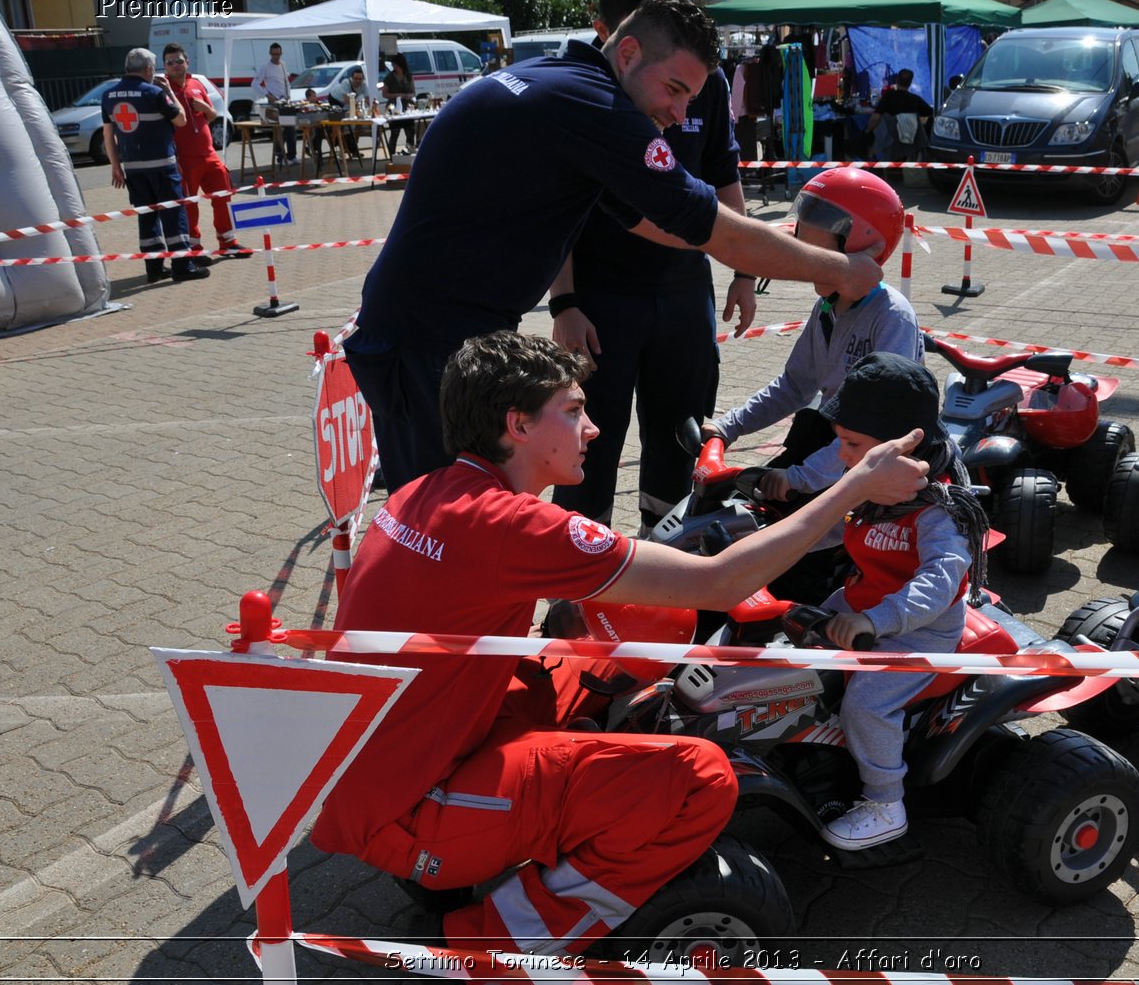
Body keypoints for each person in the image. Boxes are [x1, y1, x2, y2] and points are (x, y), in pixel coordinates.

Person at [310, 330, 930, 955]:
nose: (596, 429)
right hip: (414, 809)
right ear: (516, 425)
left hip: (375, 768)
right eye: (574, 412)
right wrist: (853, 486)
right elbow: (723, 582)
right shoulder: (513, 527)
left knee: (584, 672)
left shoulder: (430, 489)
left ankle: (550, 825)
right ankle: (482, 947)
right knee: (702, 780)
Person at [343, 0, 892, 494]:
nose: (678, 116)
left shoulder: (560, 82)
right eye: (674, 90)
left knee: (457, 516)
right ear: (628, 53)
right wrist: (842, 269)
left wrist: (754, 245)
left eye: (691, 99)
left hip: (428, 333)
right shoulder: (597, 108)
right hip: (428, 346)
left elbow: (648, 221)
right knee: (444, 528)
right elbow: (715, 230)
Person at [548, 0, 754, 530]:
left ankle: (666, 561)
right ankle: (579, 580)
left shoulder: (700, 79)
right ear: (612, 37)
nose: (676, 103)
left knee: (681, 438)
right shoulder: (584, 86)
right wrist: (564, 303)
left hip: (684, 295)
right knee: (588, 443)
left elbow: (724, 174)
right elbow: (558, 209)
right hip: (601, 298)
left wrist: (741, 273)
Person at [808, 352, 990, 850]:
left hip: (918, 630)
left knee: (867, 705)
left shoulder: (938, 511)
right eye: (840, 441)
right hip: (862, 604)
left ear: (897, 447)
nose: (842, 454)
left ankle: (885, 802)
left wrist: (875, 619)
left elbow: (940, 580)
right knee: (793, 634)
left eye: (852, 444)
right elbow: (830, 529)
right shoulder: (876, 488)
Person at [705, 167, 923, 497]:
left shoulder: (891, 316)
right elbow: (795, 385)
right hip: (834, 454)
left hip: (876, 472)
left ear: (860, 240)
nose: (804, 246)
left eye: (822, 221)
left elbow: (876, 427)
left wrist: (802, 477)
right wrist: (727, 426)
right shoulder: (827, 308)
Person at [100, 47, 205, 284]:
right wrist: (169, 91)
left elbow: (109, 135)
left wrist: (115, 166)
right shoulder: (154, 92)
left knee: (146, 217)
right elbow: (181, 119)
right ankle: (182, 266)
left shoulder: (109, 96)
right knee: (173, 214)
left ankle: (155, 269)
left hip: (134, 170)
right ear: (148, 69)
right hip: (162, 168)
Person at [161, 43, 248, 260]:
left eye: (179, 61)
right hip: (184, 158)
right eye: (170, 62)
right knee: (189, 204)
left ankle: (228, 241)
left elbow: (211, 116)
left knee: (223, 196)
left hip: (209, 153)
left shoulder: (197, 83)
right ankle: (194, 248)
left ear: (187, 62)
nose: (175, 66)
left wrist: (206, 108)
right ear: (165, 66)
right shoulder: (163, 90)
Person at [866, 68, 933, 160]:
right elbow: (930, 112)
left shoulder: (888, 97)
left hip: (890, 144)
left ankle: (870, 160)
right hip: (911, 145)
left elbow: (876, 118)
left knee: (868, 135)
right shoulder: (915, 100)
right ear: (910, 83)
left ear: (897, 80)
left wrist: (867, 131)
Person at [251, 41, 297, 164]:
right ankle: (280, 157)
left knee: (290, 128)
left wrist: (288, 96)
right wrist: (267, 95)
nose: (276, 56)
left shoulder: (283, 65)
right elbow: (254, 83)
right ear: (270, 54)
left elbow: (286, 81)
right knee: (279, 129)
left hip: (285, 101)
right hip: (274, 102)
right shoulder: (265, 67)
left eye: (278, 54)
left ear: (281, 53)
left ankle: (292, 156)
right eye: (274, 54)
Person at [327, 67, 373, 159]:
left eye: (360, 79)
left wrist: (371, 109)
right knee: (343, 124)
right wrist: (359, 106)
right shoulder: (346, 83)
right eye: (356, 78)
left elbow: (368, 100)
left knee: (353, 125)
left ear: (363, 79)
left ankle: (352, 149)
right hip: (336, 100)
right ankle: (343, 147)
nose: (358, 81)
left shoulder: (363, 85)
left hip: (350, 102)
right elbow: (346, 99)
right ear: (352, 78)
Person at [380, 56, 418, 154]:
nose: (394, 67)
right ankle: (392, 156)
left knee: (410, 132)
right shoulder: (389, 78)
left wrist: (409, 96)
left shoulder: (408, 76)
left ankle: (409, 153)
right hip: (393, 108)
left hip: (407, 108)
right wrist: (397, 95)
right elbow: (384, 94)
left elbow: (414, 92)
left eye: (395, 65)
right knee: (394, 133)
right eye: (393, 65)